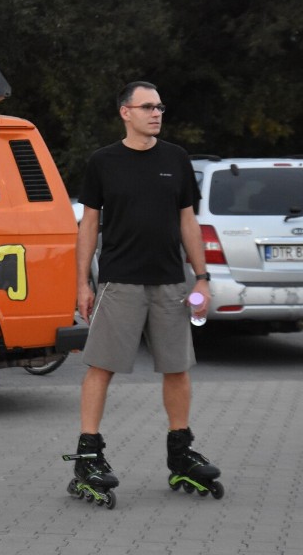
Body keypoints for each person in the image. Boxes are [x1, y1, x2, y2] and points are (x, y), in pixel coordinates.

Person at [70, 81, 221, 503]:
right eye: (147, 107)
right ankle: (88, 454)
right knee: (101, 366)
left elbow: (188, 221)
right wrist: (83, 282)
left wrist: (202, 276)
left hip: (171, 282)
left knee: (177, 367)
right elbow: (89, 225)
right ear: (126, 112)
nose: (156, 113)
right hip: (121, 282)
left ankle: (181, 452)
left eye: (160, 106)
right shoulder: (104, 162)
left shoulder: (176, 158)